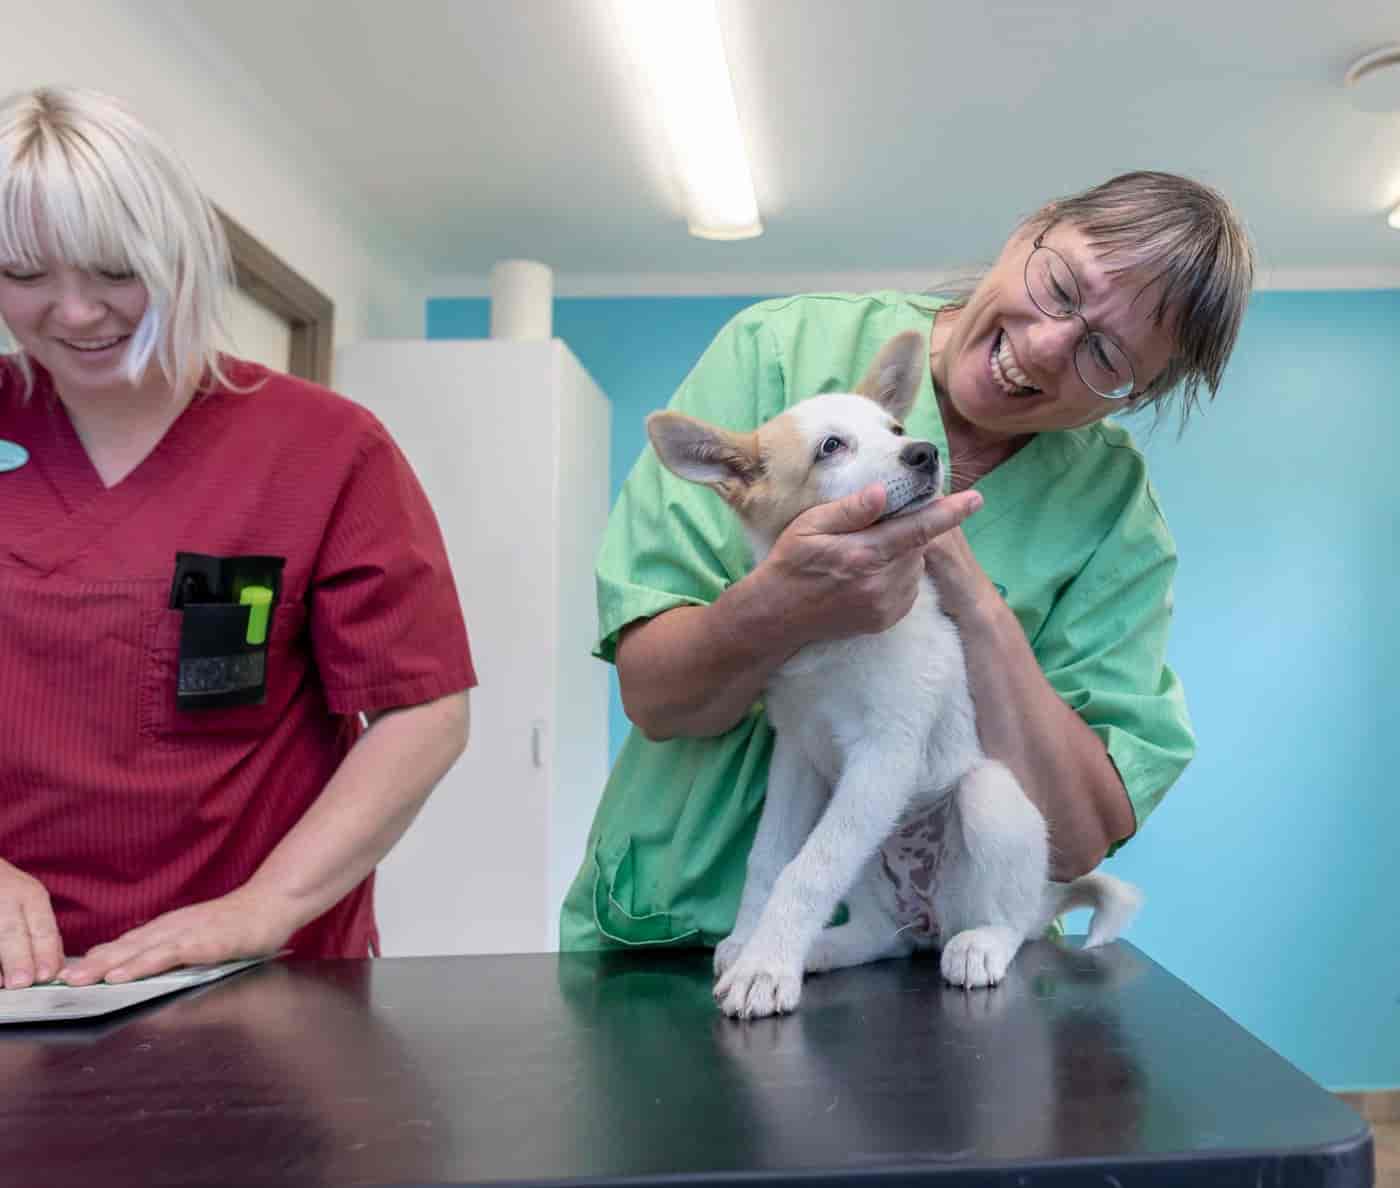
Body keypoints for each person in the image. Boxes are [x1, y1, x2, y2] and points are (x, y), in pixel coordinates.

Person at [561, 170, 1254, 951]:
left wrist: (974, 600)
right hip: (681, 925)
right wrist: (785, 608)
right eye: (1061, 288)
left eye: (1105, 355)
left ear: (1138, 394)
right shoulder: (781, 351)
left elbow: (1075, 837)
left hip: (943, 949)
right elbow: (655, 696)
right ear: (1033, 225)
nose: (1045, 347)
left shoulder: (1111, 509)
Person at [0, 86, 475, 988]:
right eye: (24, 276)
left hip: (260, 972)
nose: (75, 312)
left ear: (179, 251)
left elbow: (422, 710)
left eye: (113, 271)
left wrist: (265, 907)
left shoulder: (325, 449)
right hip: (19, 982)